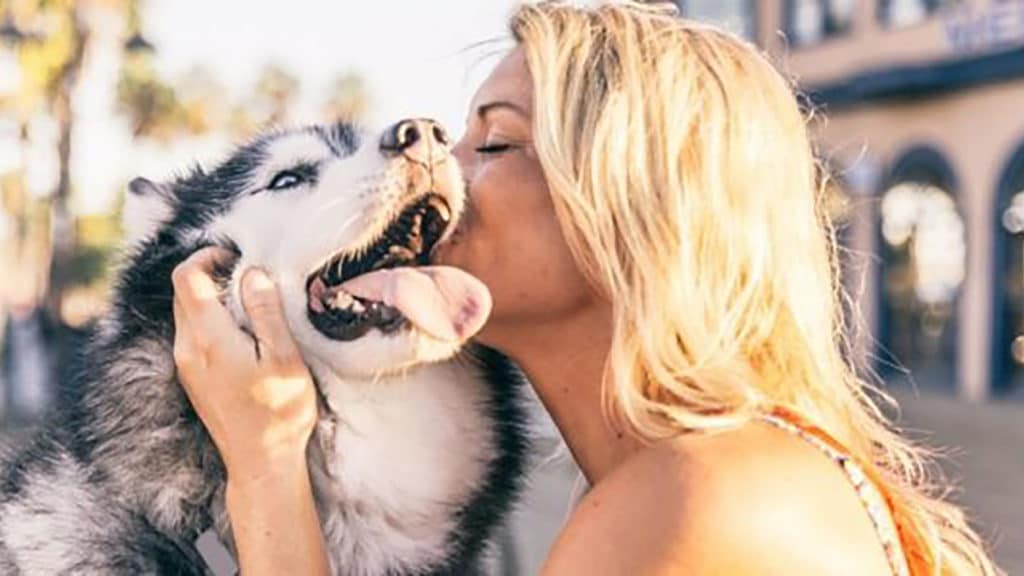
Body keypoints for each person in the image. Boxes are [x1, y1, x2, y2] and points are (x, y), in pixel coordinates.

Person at [170, 2, 1000, 574]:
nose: (437, 166)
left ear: (633, 209)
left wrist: (267, 463)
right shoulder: (719, 468)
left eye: (493, 145)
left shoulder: (691, 500)